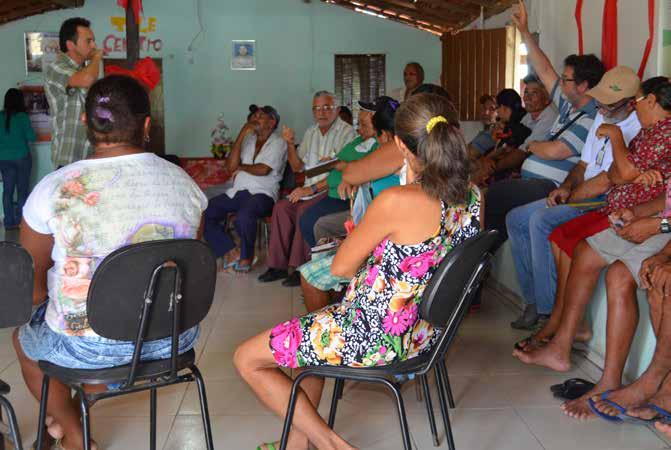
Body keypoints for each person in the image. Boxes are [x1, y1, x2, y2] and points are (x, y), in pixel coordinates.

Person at [234, 93, 482, 450]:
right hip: (425, 334)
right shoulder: (472, 196)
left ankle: (333, 444)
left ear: (400, 144)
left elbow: (341, 267)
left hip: (372, 335)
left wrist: (369, 243)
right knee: (311, 337)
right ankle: (295, 445)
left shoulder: (397, 200)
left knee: (246, 358)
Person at [12, 75, 207, 450]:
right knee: (72, 342)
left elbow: (29, 281)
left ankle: (74, 434)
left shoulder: (56, 188)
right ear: (147, 125)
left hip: (89, 346)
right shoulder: (185, 183)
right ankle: (91, 391)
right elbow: (189, 265)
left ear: (87, 123)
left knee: (25, 339)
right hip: (171, 340)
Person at [513, 78, 671, 420]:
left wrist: (649, 213)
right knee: (582, 250)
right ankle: (564, 346)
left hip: (655, 222)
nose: (635, 106)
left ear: (653, 100)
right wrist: (633, 193)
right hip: (637, 213)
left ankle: (617, 379)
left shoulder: (662, 131)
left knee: (620, 275)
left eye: (640, 100)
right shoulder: (647, 131)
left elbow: (628, 173)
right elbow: (619, 174)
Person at [507, 66, 642, 330]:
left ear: (629, 103)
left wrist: (573, 197)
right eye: (599, 101)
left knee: (541, 220)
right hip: (580, 194)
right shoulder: (602, 119)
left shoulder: (635, 127)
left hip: (602, 201)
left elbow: (609, 180)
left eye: (607, 104)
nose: (600, 108)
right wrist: (566, 188)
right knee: (516, 218)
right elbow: (582, 166)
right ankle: (534, 302)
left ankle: (548, 313)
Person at [484, 0, 605, 240]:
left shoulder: (592, 117)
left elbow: (557, 151)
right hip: (535, 180)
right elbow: (545, 70)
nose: (560, 81)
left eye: (566, 79)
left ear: (582, 86)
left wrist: (532, 146)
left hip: (550, 185)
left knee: (493, 194)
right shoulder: (569, 106)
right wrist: (525, 32)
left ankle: (484, 254)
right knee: (494, 195)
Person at [300, 96, 402, 313]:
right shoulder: (410, 156)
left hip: (387, 247)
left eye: (367, 125)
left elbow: (355, 173)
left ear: (383, 133)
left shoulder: (394, 150)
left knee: (311, 275)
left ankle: (327, 331)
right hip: (388, 239)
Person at [258, 91, 355, 287]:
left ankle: (299, 267)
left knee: (303, 211)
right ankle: (277, 266)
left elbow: (342, 172)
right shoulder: (311, 132)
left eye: (327, 107)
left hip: (330, 190)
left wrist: (309, 190)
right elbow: (296, 167)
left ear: (336, 109)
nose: (321, 113)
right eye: (317, 108)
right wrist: (289, 144)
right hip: (309, 189)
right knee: (281, 208)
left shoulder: (347, 132)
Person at [204, 105, 287, 272]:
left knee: (244, 215)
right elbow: (230, 166)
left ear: (272, 122)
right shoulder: (248, 140)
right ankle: (230, 250)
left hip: (263, 194)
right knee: (205, 211)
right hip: (238, 192)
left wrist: (241, 167)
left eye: (260, 116)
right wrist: (242, 133)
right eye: (254, 116)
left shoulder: (279, 142)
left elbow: (264, 169)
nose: (255, 119)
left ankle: (246, 256)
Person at [297, 100, 386, 250]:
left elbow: (365, 171)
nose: (359, 129)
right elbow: (338, 165)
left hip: (345, 197)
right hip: (332, 192)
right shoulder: (357, 141)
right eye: (359, 124)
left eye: (364, 125)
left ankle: (322, 259)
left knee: (309, 220)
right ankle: (318, 259)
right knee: (304, 215)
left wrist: (343, 169)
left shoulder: (378, 146)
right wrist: (332, 164)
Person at [474, 75, 558, 182]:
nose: (528, 97)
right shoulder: (527, 116)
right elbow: (509, 146)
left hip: (541, 177)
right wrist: (487, 160)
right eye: (526, 92)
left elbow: (521, 153)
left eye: (534, 93)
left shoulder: (549, 118)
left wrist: (490, 168)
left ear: (547, 99)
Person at [45, 17, 102, 168]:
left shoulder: (84, 69)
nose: (94, 45)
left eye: (93, 41)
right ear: (70, 45)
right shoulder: (56, 67)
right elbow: (87, 79)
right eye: (88, 41)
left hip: (89, 156)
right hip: (69, 157)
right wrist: (96, 58)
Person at [472, 89, 531, 184]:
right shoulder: (511, 125)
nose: (497, 112)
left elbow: (504, 150)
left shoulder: (517, 128)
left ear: (504, 107)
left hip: (508, 178)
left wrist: (486, 159)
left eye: (497, 107)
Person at [0, 88, 36, 230]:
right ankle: (21, 221)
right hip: (22, 158)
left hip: (3, 159)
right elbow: (31, 137)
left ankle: (8, 222)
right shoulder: (22, 117)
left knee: (7, 191)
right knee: (22, 191)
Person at [467, 94, 498, 159]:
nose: (486, 113)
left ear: (499, 112)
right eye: (484, 108)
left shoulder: (492, 134)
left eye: (491, 109)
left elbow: (466, 156)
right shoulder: (484, 132)